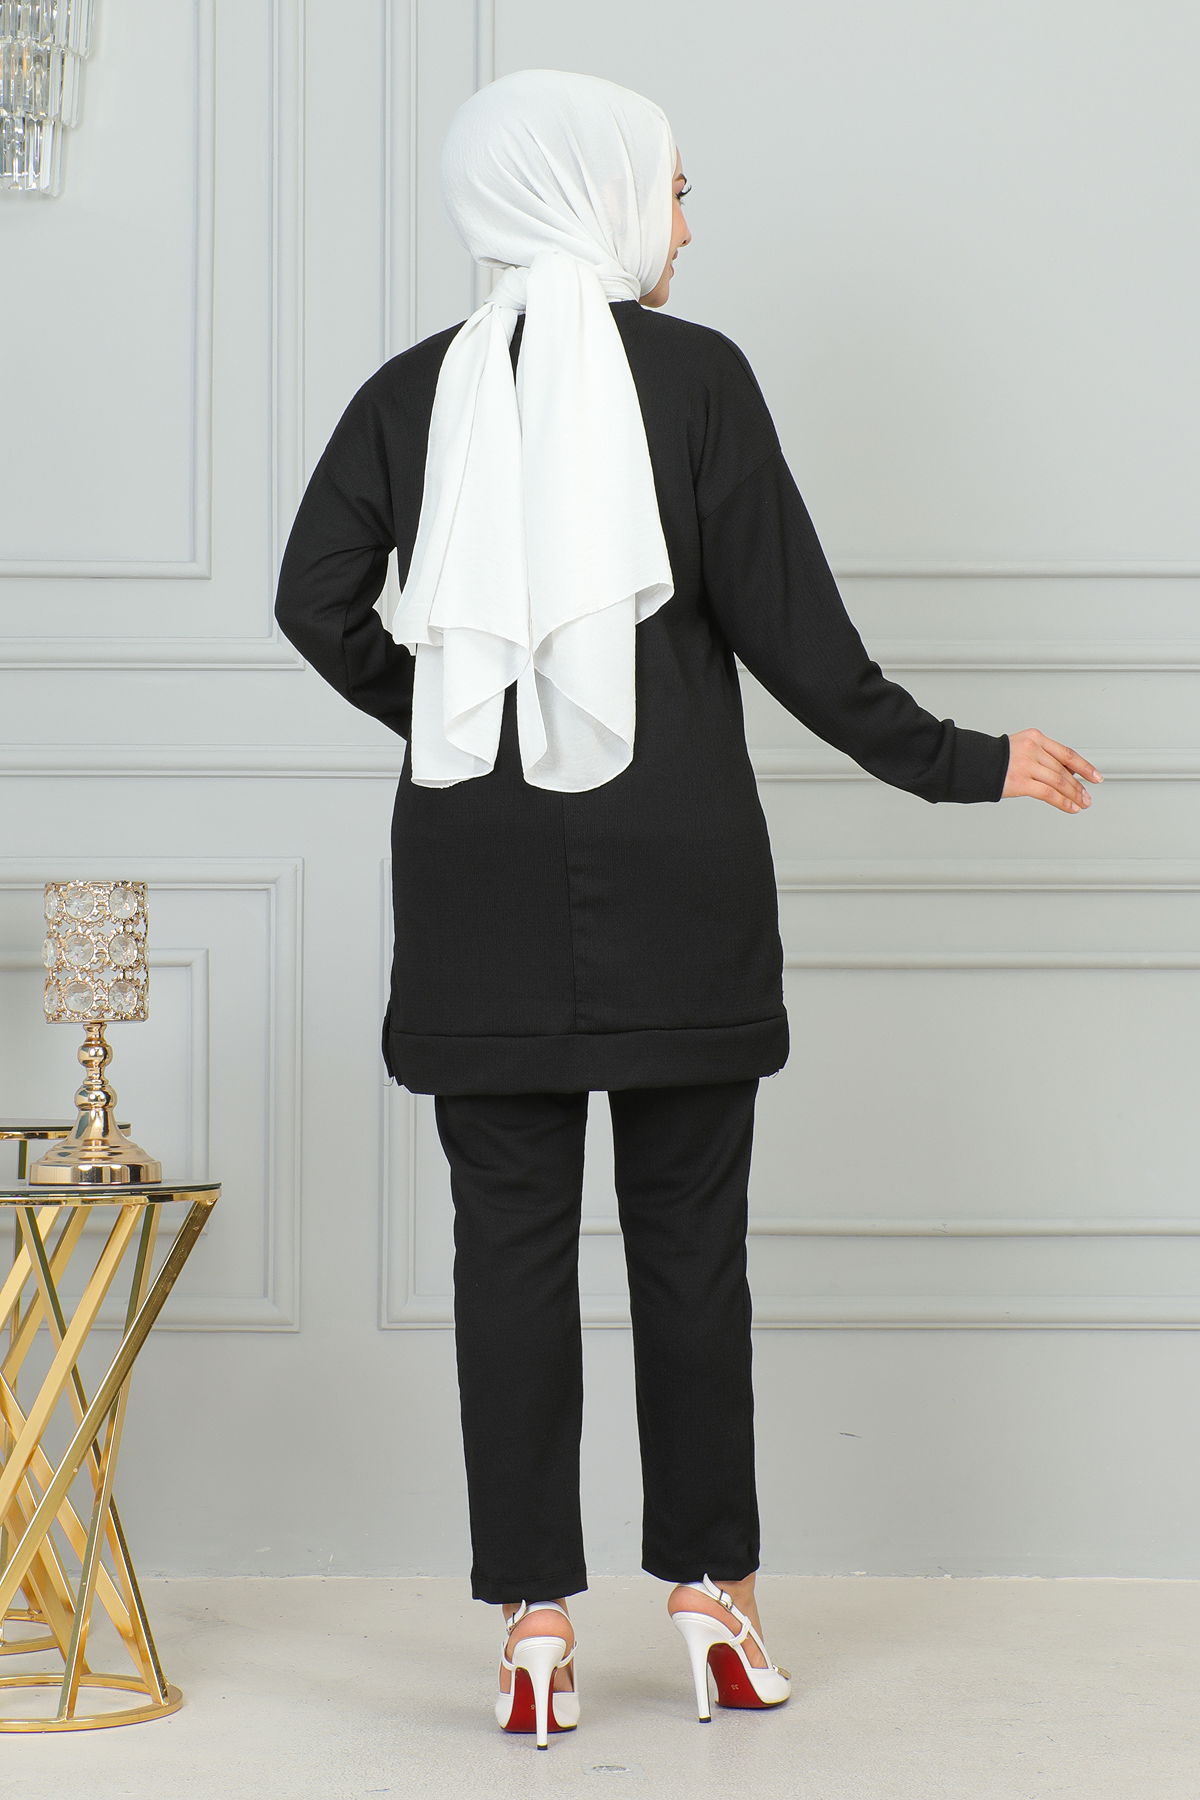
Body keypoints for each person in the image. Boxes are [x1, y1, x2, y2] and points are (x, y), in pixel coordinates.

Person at [273, 68, 1103, 1749]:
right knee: (690, 1252)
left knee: (508, 1254)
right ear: (593, 192)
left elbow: (314, 601)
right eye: (673, 191)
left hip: (476, 880)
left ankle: (533, 1627)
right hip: (683, 875)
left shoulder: (413, 392)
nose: (686, 226)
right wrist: (967, 762)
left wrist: (465, 714)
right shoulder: (700, 379)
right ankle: (715, 1599)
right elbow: (803, 643)